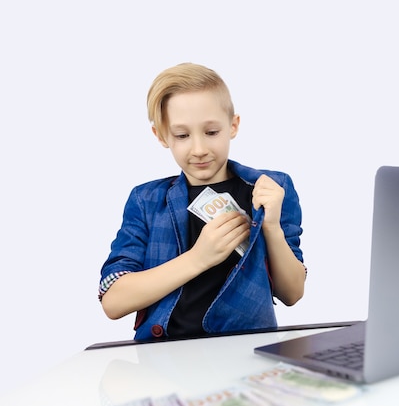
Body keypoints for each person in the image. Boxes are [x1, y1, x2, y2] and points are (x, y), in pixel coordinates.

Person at [98, 63, 306, 340]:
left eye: (211, 132)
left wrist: (272, 228)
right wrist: (199, 257)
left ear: (233, 126)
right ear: (160, 136)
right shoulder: (146, 200)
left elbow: (292, 293)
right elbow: (112, 300)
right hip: (163, 360)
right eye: (182, 136)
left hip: (246, 352)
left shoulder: (272, 189)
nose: (199, 149)